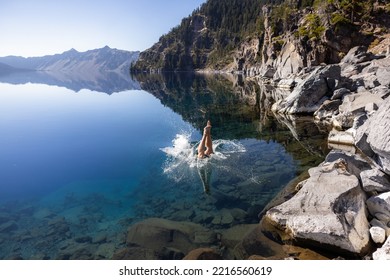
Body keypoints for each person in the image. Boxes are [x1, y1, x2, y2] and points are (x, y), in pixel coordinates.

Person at [197, 120, 214, 194]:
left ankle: (206, 133)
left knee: (206, 152)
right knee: (205, 153)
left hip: (200, 155)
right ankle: (206, 133)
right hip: (199, 155)